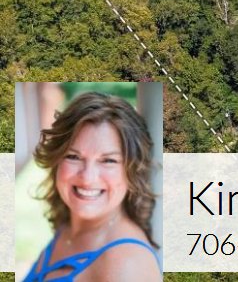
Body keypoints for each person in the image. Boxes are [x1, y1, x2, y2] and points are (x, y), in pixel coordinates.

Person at [23, 92, 162, 281]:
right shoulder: (69, 225)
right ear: (57, 160)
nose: (87, 178)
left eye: (108, 160)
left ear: (132, 170)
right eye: (73, 157)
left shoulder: (128, 265)